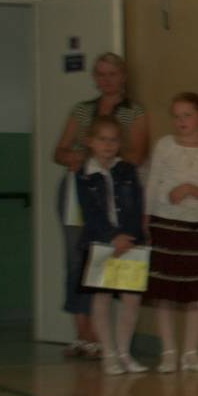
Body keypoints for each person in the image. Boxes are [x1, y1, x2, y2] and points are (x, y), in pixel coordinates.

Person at [52, 52, 149, 359]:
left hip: (116, 192)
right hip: (80, 187)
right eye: (101, 74)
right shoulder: (82, 110)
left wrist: (106, 156)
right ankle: (82, 332)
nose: (106, 80)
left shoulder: (133, 112)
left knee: (110, 257)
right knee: (76, 259)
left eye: (112, 74)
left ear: (123, 77)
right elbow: (59, 151)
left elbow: (138, 154)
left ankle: (105, 339)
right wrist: (76, 158)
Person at [144, 92, 198, 373]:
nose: (181, 121)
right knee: (164, 291)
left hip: (195, 226)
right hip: (164, 223)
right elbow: (153, 183)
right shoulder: (164, 145)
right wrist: (146, 217)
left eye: (187, 115)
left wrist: (192, 189)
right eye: (176, 116)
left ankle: (191, 352)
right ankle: (169, 352)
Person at [74, 115, 148, 375]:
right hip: (100, 242)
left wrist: (129, 236)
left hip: (130, 242)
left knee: (131, 300)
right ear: (90, 142)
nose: (108, 145)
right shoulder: (84, 175)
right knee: (102, 297)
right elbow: (90, 212)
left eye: (114, 140)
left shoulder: (127, 170)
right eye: (102, 139)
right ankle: (108, 353)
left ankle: (124, 352)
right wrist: (112, 236)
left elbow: (136, 205)